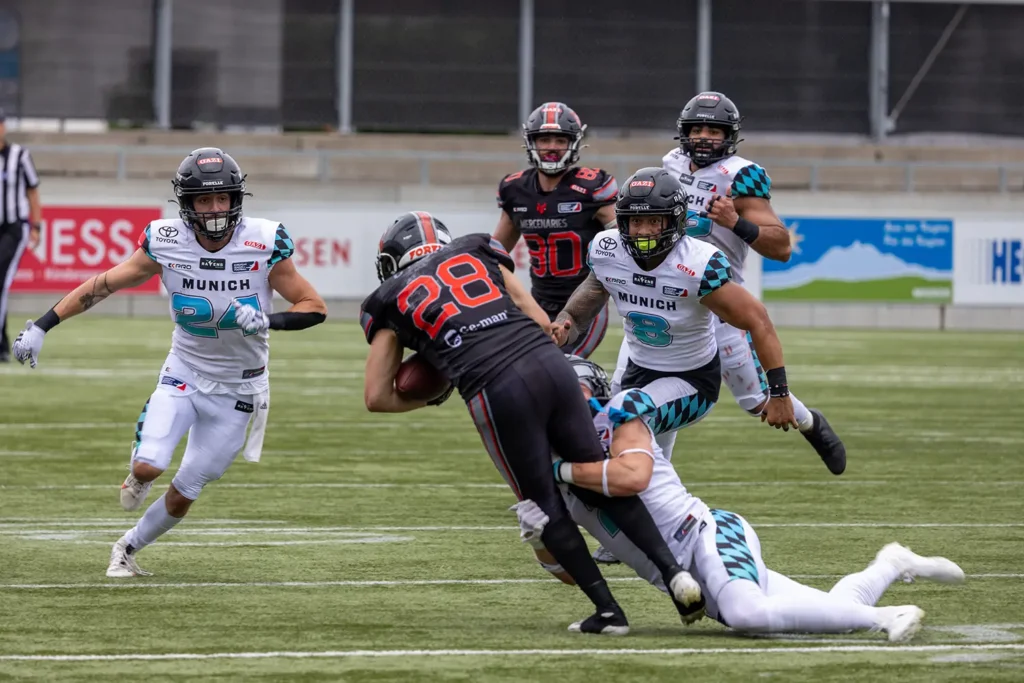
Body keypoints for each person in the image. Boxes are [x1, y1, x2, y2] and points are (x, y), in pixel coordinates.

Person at [360, 211, 700, 635]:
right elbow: (540, 320)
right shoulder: (476, 247)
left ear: (391, 261)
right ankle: (674, 575)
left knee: (542, 504)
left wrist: (437, 392)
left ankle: (609, 611)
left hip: (494, 386)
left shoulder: (386, 297)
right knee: (591, 472)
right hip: (550, 365)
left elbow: (377, 397)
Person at [12, 147, 327, 578]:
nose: (215, 209)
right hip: (185, 372)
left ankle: (126, 548)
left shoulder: (264, 242)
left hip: (241, 390)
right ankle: (139, 472)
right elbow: (104, 284)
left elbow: (314, 306)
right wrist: (43, 324)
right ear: (187, 204)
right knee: (149, 465)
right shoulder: (165, 242)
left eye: (223, 199)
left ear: (236, 199)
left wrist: (267, 320)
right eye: (204, 200)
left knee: (186, 490)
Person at [511, 356, 965, 642]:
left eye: (573, 393)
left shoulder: (622, 418)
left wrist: (556, 473)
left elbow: (632, 476)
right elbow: (568, 575)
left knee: (748, 614)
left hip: (707, 534)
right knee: (833, 611)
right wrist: (537, 538)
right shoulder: (548, 464)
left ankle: (887, 617)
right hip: (691, 576)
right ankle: (893, 563)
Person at [612, 91, 845, 475]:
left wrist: (736, 223)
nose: (704, 137)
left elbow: (782, 247)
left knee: (756, 399)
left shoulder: (741, 176)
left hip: (716, 300)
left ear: (730, 135)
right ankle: (651, 485)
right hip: (663, 296)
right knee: (633, 393)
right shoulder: (669, 164)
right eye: (697, 129)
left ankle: (811, 423)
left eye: (714, 130)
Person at [492, 102, 619, 359]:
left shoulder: (592, 187)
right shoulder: (515, 190)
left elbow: (625, 240)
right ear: (531, 142)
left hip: (584, 303)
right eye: (544, 139)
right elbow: (494, 253)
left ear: (574, 143)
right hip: (537, 304)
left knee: (563, 369)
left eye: (560, 139)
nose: (551, 146)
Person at [0, 109, 43, 362]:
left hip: (13, 227)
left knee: (1, 281)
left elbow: (33, 192)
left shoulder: (19, 156)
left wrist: (36, 226)